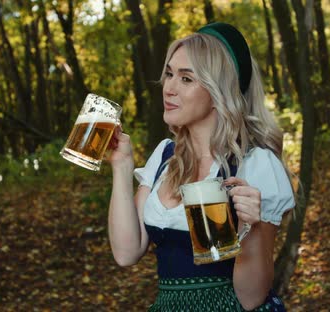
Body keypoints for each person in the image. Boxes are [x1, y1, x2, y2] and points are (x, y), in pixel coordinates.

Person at [107, 22, 296, 311]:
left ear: (218, 90)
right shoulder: (164, 156)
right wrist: (121, 167)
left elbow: (251, 297)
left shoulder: (254, 165)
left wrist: (251, 228)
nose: (168, 88)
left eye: (186, 79)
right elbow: (126, 252)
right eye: (169, 74)